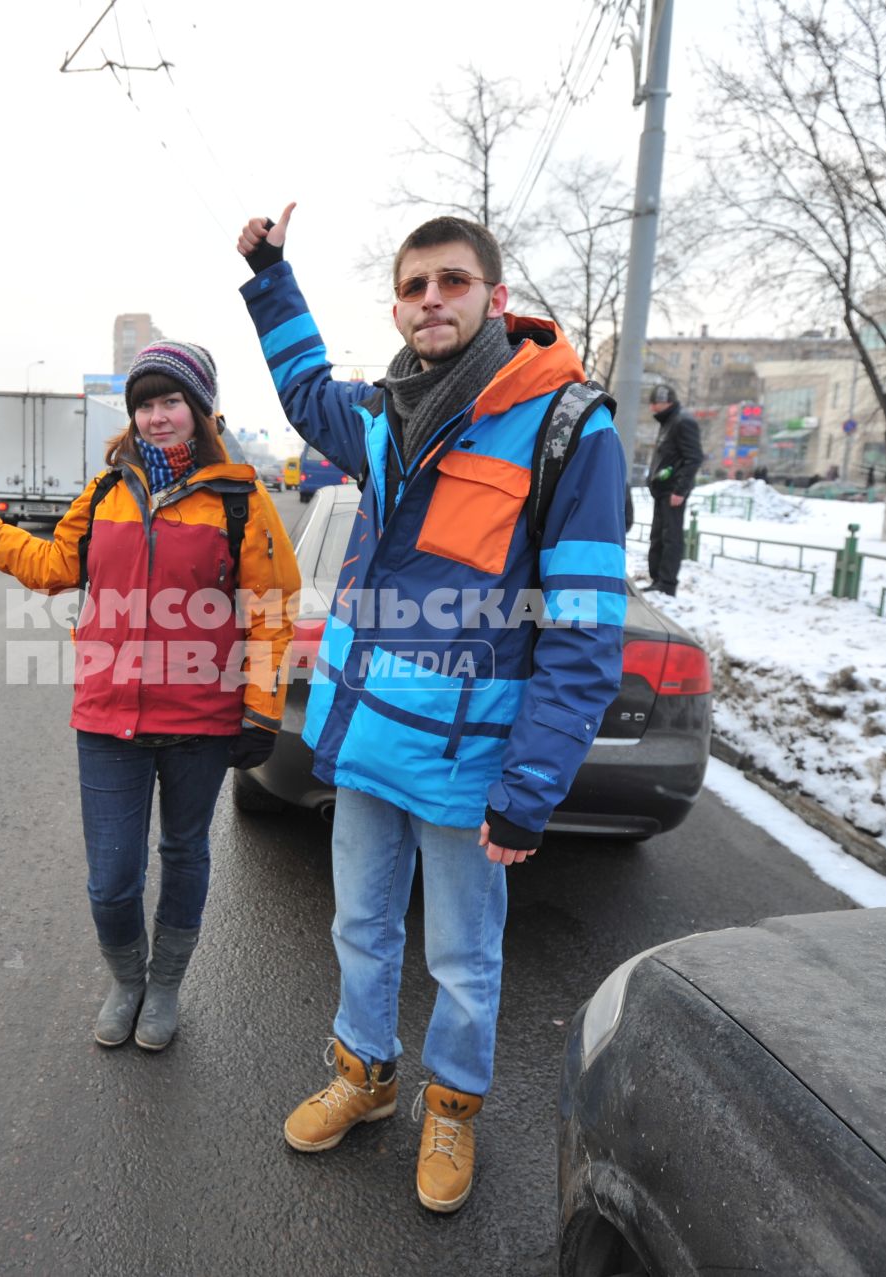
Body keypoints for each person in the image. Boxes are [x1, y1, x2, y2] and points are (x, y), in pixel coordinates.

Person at [234, 206, 627, 1214]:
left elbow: (585, 633)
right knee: (360, 929)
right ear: (400, 307)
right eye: (414, 287)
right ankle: (364, 1076)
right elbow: (303, 391)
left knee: (461, 953)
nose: (431, 300)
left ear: (496, 298)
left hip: (469, 762)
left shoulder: (565, 429)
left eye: (452, 281)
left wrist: (530, 788)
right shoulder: (381, 414)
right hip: (368, 742)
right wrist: (273, 276)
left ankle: (452, 1106)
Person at [0, 341, 299, 1053]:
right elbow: (52, 564)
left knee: (185, 851)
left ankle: (165, 986)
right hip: (107, 717)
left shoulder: (239, 498)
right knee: (111, 878)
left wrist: (262, 707)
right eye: (145, 404)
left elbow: (273, 609)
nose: (157, 417)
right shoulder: (106, 492)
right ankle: (127, 979)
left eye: (171, 403)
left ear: (200, 410)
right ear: (131, 415)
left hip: (200, 719)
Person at [644, 383, 702, 596]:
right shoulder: (669, 421)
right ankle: (657, 579)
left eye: (654, 404)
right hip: (662, 490)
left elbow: (694, 458)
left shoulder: (682, 422)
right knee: (658, 535)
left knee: (670, 537)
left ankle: (667, 584)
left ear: (665, 402)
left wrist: (680, 490)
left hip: (673, 492)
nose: (652, 408)